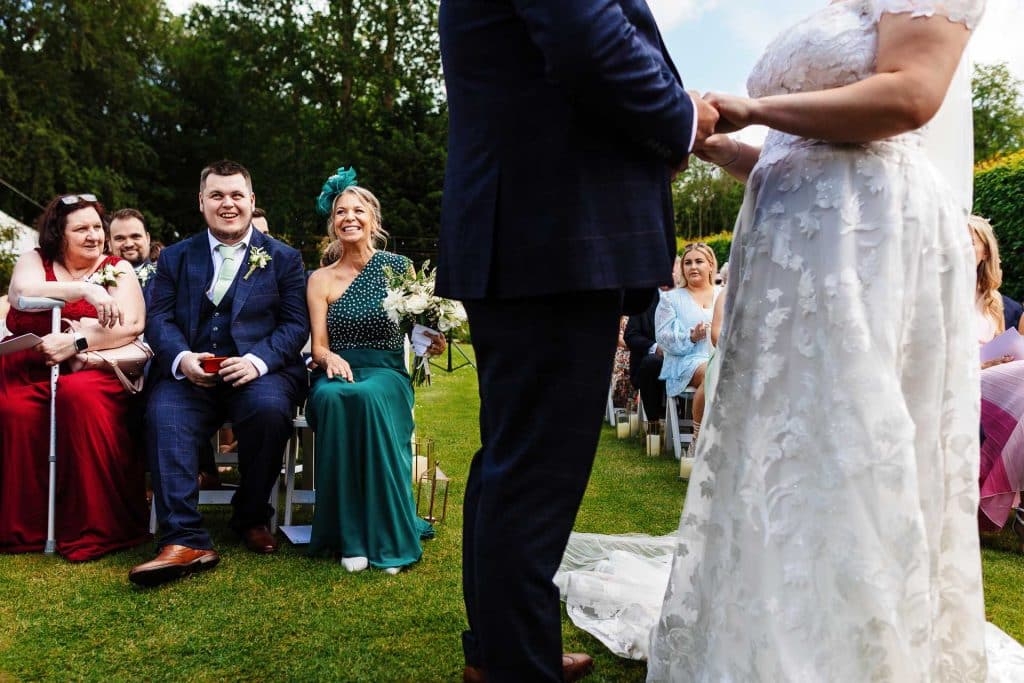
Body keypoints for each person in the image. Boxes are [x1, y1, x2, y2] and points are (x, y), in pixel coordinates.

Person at [555, 0, 1024, 678]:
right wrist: (716, 144)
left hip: (857, 248)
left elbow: (912, 95)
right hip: (792, 255)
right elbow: (801, 160)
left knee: (847, 437)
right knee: (776, 445)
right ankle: (762, 628)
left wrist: (755, 109)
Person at [438, 1, 719, 680]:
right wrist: (678, 119)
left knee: (511, 460)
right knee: (532, 475)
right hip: (553, 232)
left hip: (532, 229)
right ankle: (517, 664)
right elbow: (583, 36)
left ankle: (503, 646)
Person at [128, 160, 309, 587]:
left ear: (251, 200)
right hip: (191, 373)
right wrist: (182, 358)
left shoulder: (284, 258)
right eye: (217, 195)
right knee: (164, 413)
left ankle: (249, 515)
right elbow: (159, 317)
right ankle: (184, 537)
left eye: (235, 195)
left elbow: (295, 324)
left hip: (259, 373)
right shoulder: (175, 256)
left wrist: (257, 361)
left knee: (268, 410)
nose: (227, 204)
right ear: (202, 201)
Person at [304, 169, 440, 574]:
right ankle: (349, 536)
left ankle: (387, 536)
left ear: (373, 219)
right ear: (333, 224)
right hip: (338, 368)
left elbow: (418, 331)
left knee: (365, 397)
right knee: (330, 397)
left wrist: (432, 341)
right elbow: (318, 346)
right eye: (340, 212)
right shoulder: (320, 279)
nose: (349, 217)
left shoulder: (398, 267)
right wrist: (328, 360)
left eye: (358, 210)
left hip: (386, 372)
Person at [0, 193, 149, 561]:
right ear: (58, 233)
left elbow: (132, 324)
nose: (93, 235)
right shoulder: (36, 261)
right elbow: (21, 295)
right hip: (28, 364)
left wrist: (75, 341)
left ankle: (94, 527)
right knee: (14, 411)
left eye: (97, 227)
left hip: (90, 363)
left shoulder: (119, 267)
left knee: (77, 398)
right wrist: (85, 289)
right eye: (81, 228)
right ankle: (24, 528)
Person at [972, 215, 1024, 538]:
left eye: (970, 239)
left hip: (999, 395)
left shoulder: (1001, 306)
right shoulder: (940, 299)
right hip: (962, 382)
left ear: (985, 252)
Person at [655, 242, 721, 446]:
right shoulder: (671, 299)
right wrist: (691, 337)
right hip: (685, 361)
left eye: (699, 261)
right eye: (688, 262)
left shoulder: (724, 294)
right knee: (712, 371)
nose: (693, 267)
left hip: (723, 357)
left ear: (711, 265)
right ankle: (698, 440)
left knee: (723, 369)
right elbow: (663, 337)